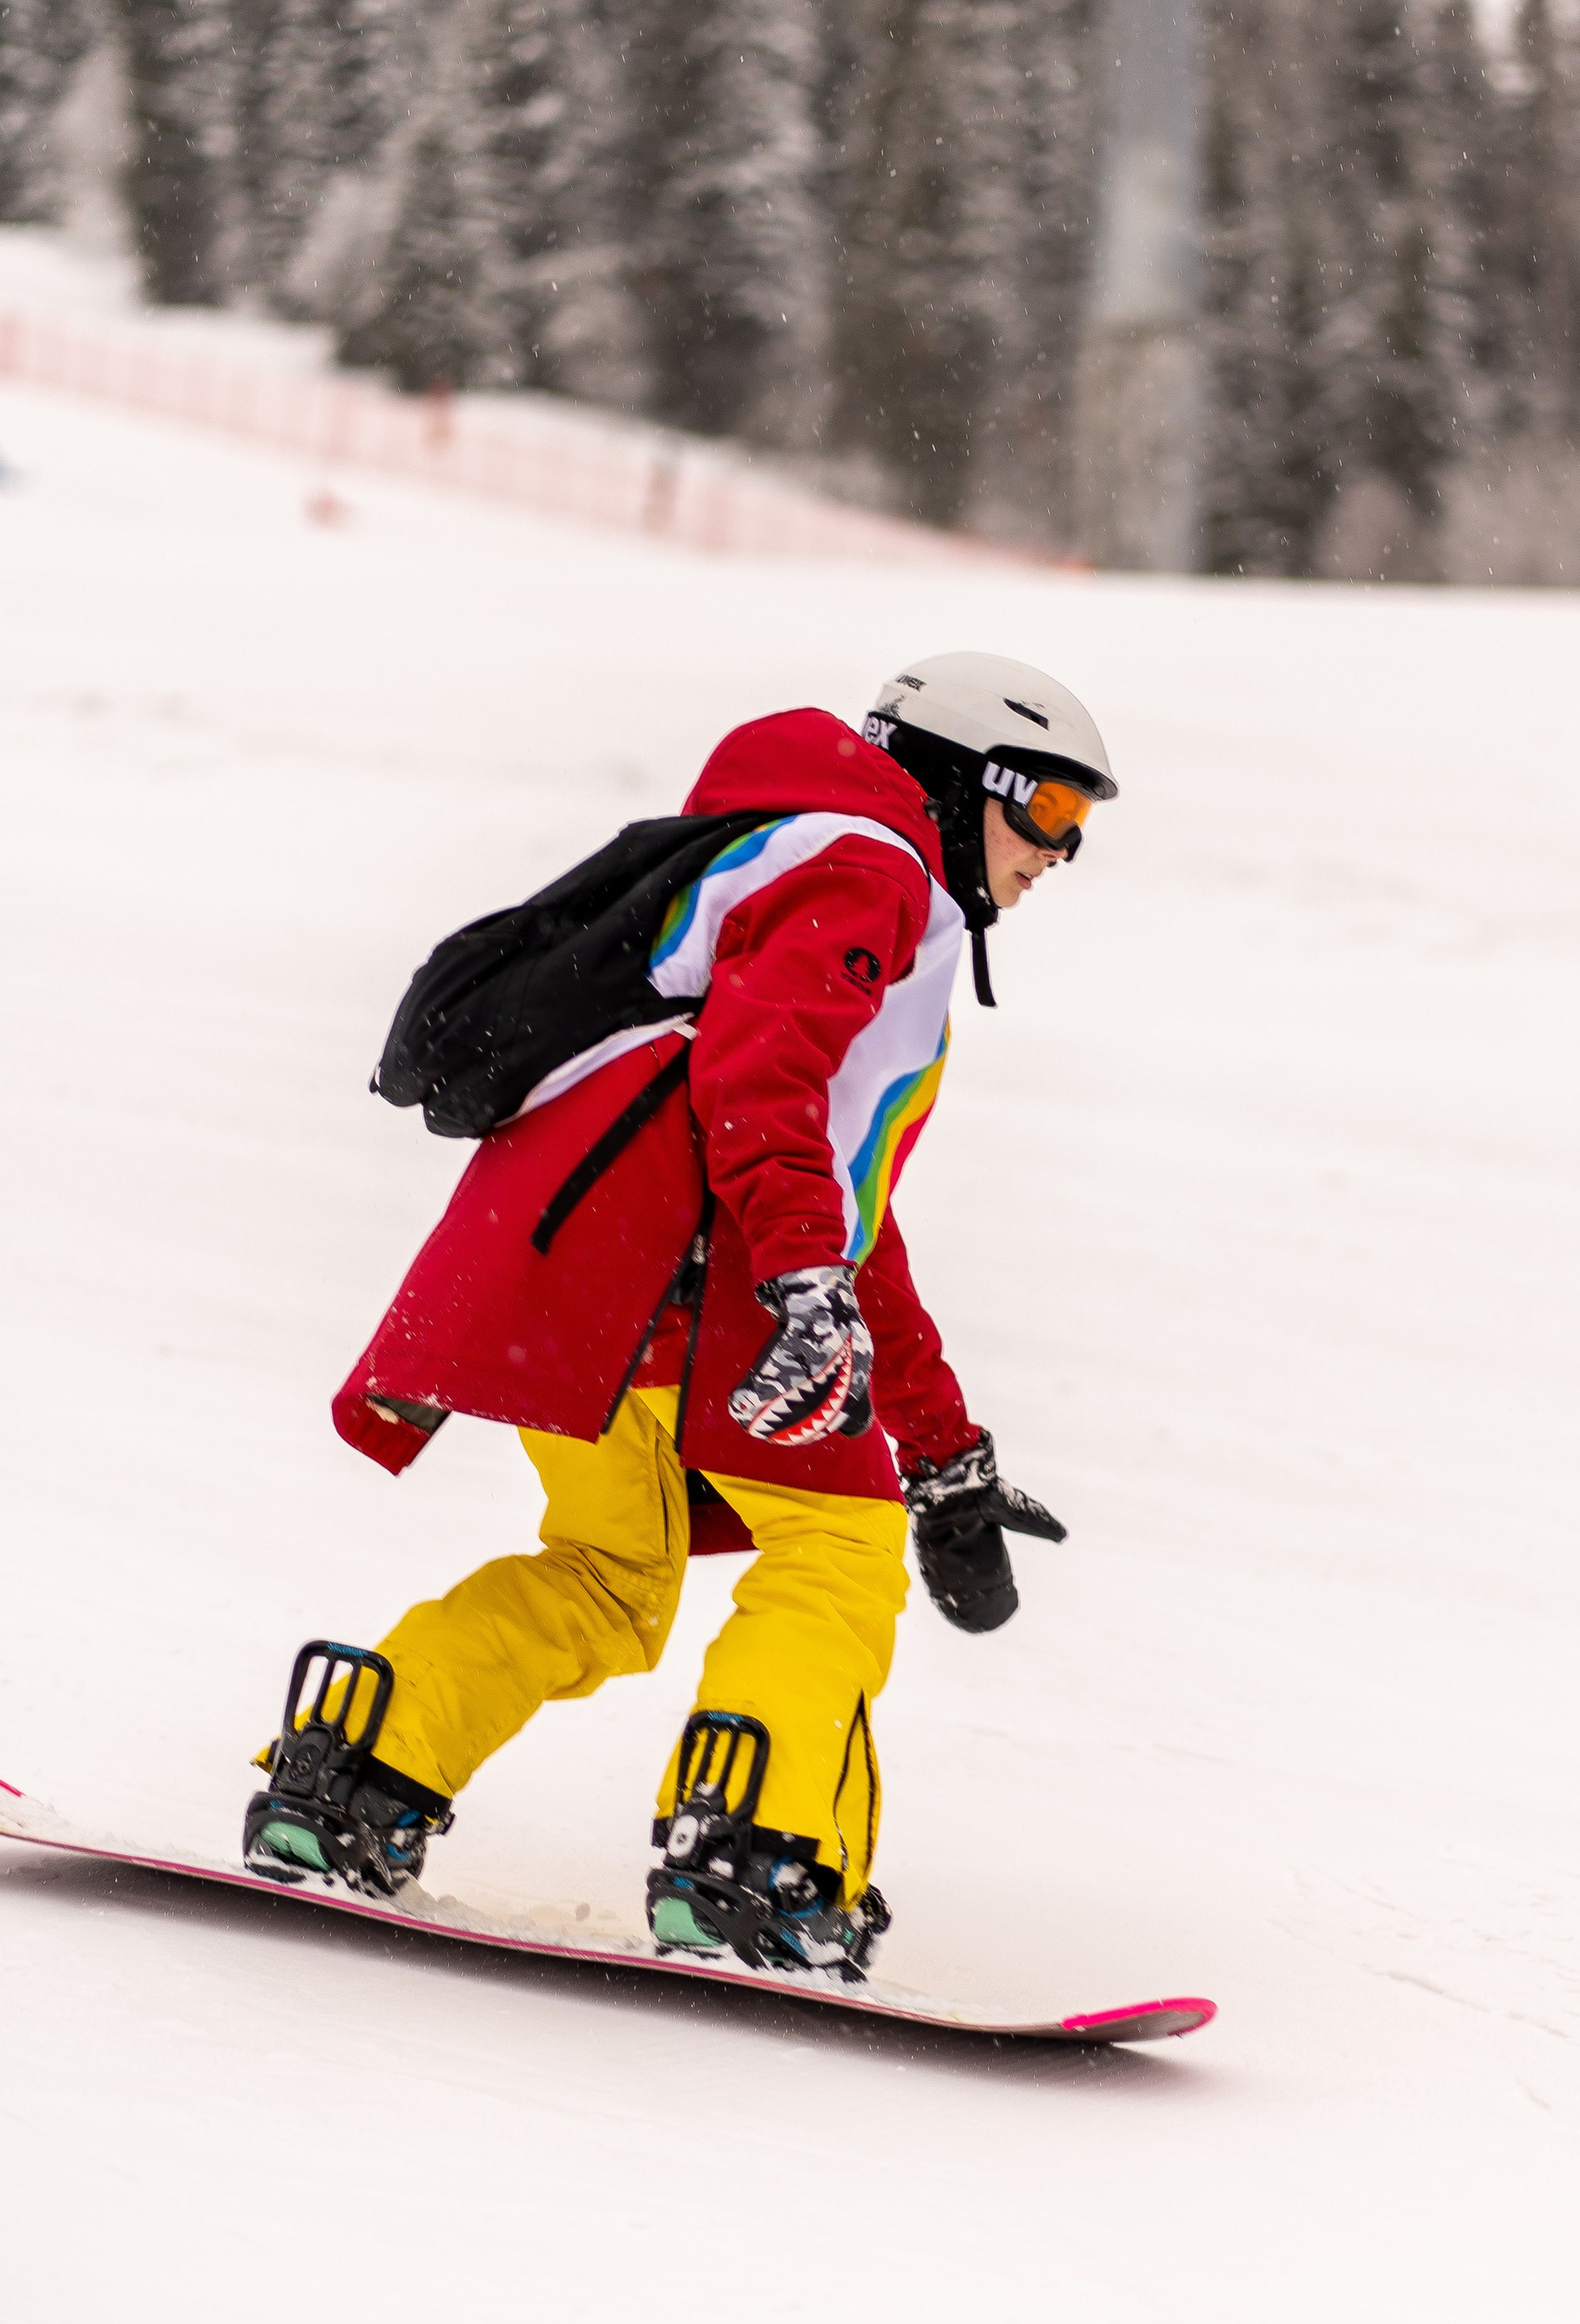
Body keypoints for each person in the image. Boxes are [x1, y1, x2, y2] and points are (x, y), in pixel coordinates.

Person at [244, 651, 1117, 1982]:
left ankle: (354, 1774)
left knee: (609, 1569)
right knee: (838, 1549)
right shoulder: (871, 868)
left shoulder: (796, 853)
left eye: (1080, 824)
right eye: (1048, 807)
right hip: (687, 1268)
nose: (1059, 852)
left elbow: (846, 1205)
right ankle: (756, 1856)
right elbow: (760, 1085)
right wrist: (799, 1281)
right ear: (963, 778)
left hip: (574, 1278)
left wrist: (945, 1449)